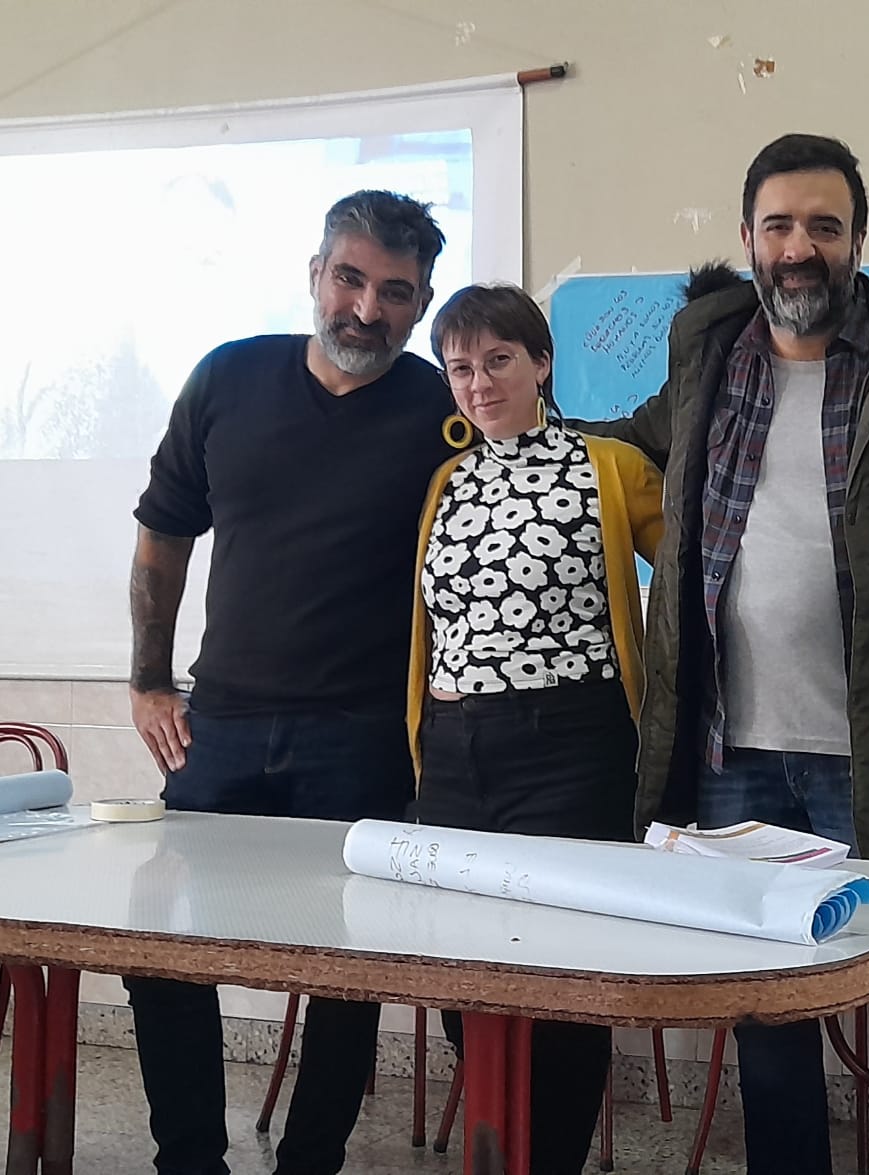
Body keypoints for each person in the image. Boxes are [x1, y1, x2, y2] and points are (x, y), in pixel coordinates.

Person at [581, 133, 869, 1175]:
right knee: (769, 1014)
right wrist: (491, 407)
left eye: (824, 225)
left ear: (858, 240)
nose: (799, 247)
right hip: (735, 759)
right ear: (747, 237)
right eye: (779, 225)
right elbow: (612, 445)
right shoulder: (707, 358)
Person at [127, 189, 452, 1175]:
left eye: (395, 292)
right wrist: (148, 679)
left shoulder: (443, 407)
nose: (366, 308)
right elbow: (163, 531)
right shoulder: (227, 376)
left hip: (364, 738)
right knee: (160, 949)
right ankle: (189, 1158)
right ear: (316, 274)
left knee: (347, 973)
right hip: (219, 725)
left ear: (421, 303)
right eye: (349, 278)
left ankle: (312, 1161)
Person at [407, 282, 663, 1174]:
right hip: (454, 753)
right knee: (459, 977)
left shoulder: (609, 467)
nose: (479, 384)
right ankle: (497, 1150)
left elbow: (699, 580)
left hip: (572, 745)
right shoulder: (446, 481)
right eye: (461, 368)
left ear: (542, 363)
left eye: (499, 361)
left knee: (561, 979)